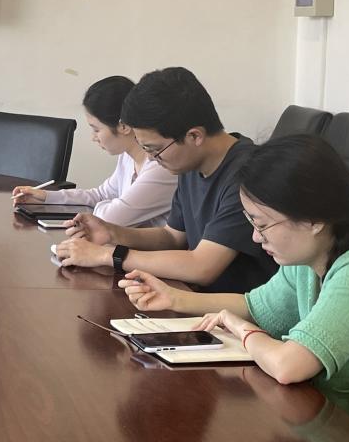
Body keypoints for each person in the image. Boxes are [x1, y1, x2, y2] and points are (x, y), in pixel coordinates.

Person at [120, 134, 349, 442]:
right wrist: (175, 298)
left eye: (262, 225)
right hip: (338, 427)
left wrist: (243, 330)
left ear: (313, 220)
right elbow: (255, 306)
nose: (255, 237)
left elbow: (289, 366)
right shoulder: (315, 251)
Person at [55, 66, 276, 292]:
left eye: (155, 150)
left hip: (233, 306)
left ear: (194, 136)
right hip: (193, 296)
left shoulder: (248, 175)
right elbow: (171, 236)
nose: (151, 158)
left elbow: (202, 267)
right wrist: (112, 232)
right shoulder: (191, 163)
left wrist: (106, 255)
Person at [11, 75, 177, 227]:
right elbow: (101, 195)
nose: (93, 137)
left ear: (124, 126)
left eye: (96, 129)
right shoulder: (127, 157)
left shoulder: (160, 166)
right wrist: (46, 197)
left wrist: (114, 205)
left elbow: (112, 218)